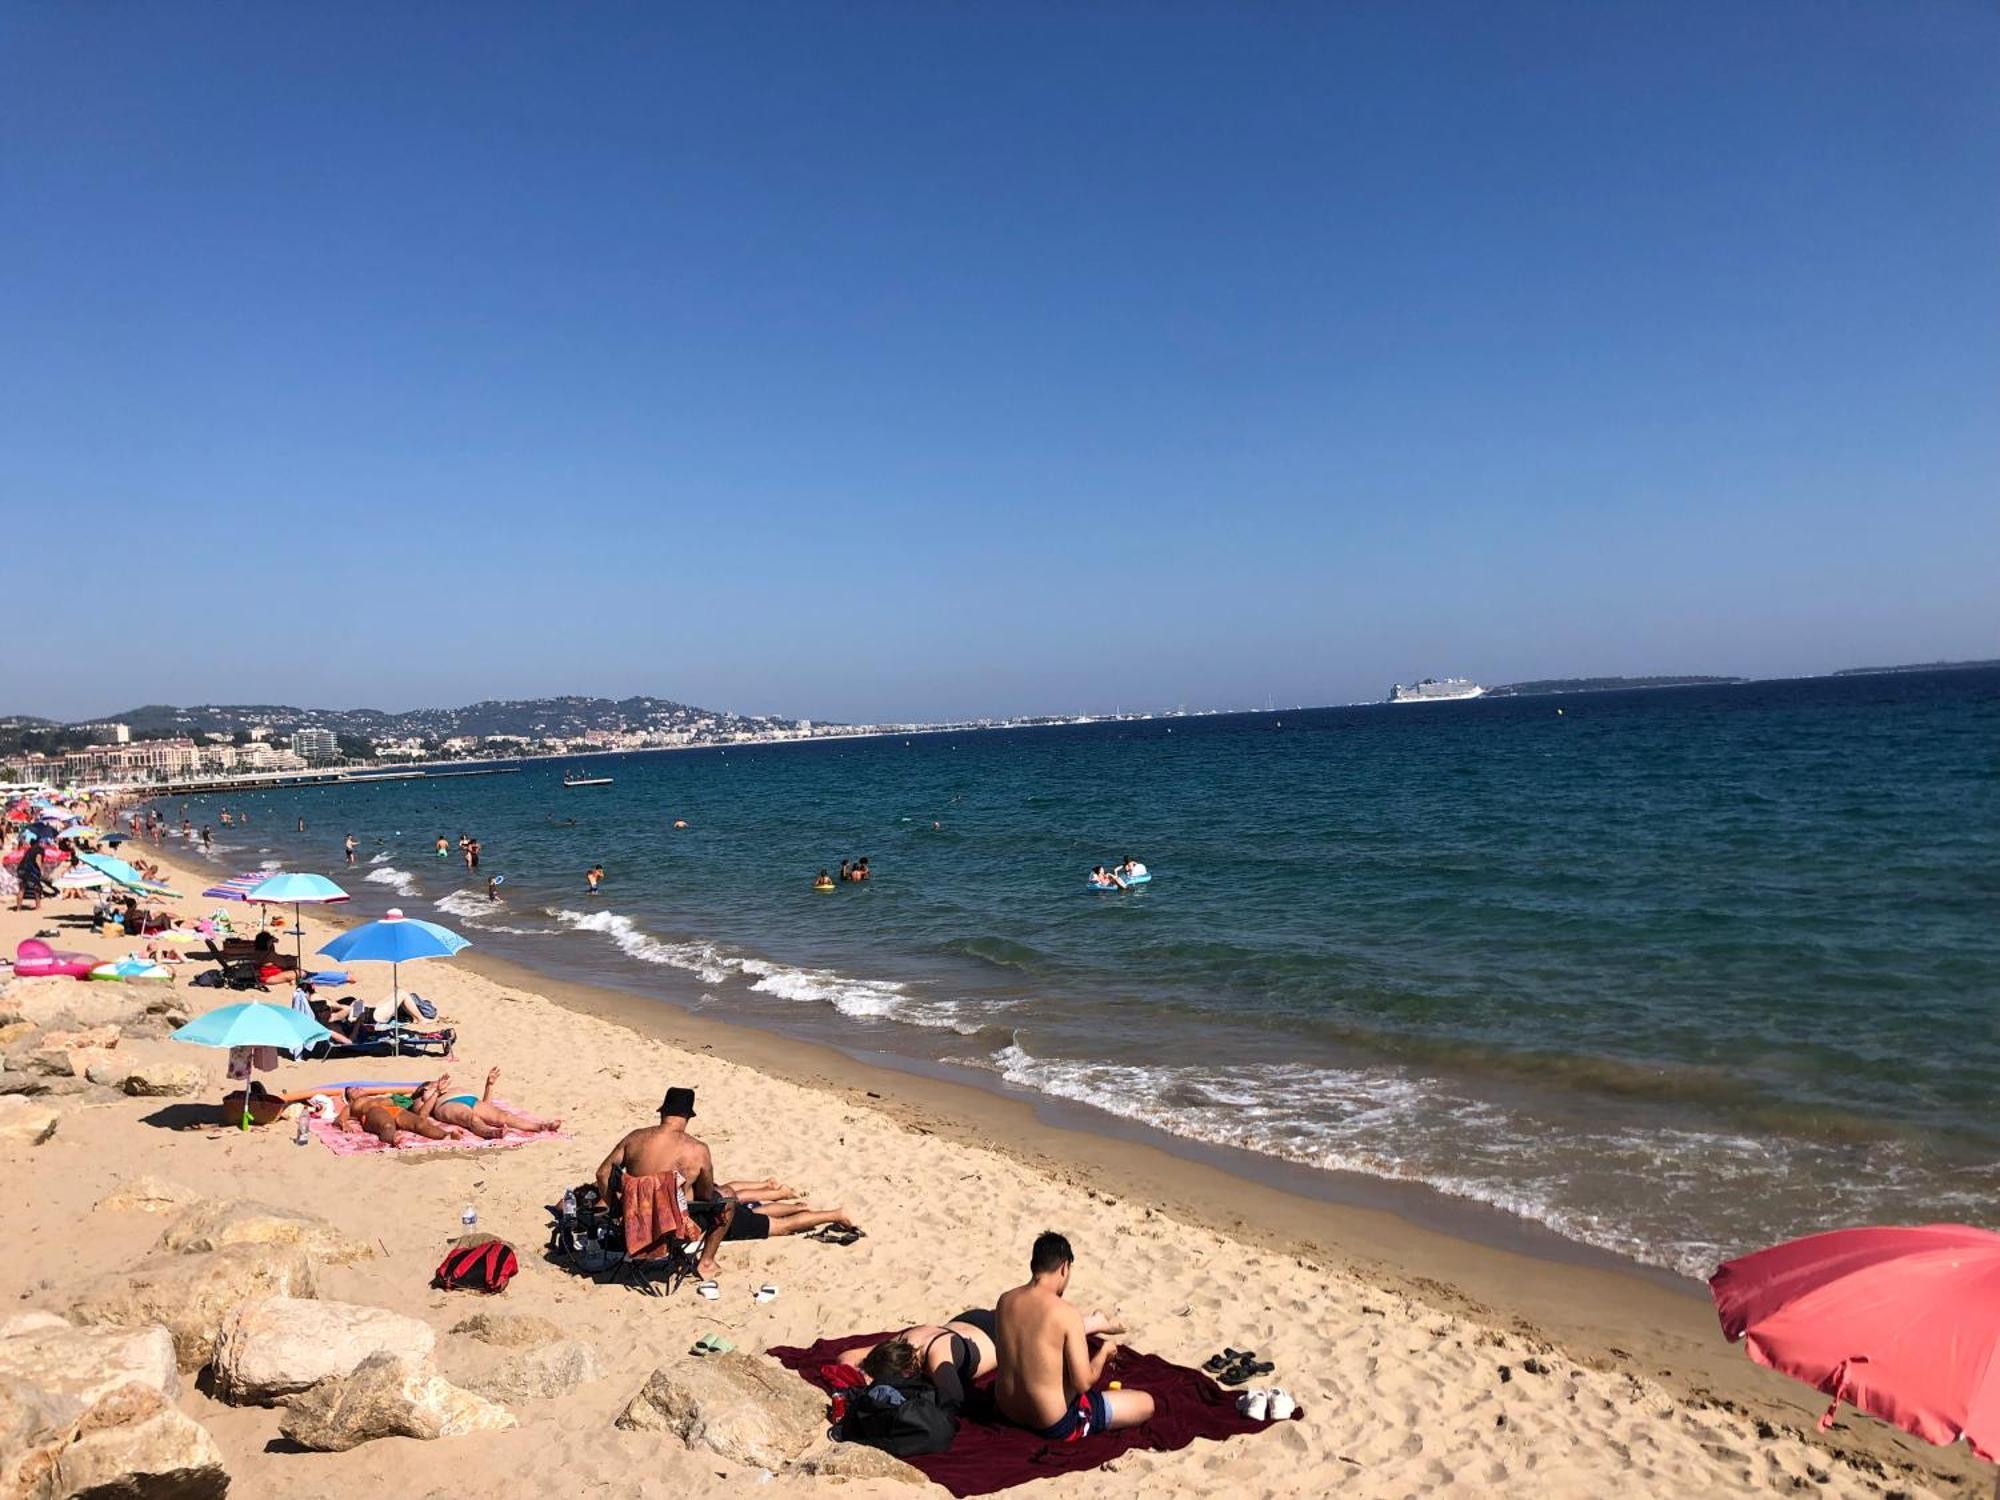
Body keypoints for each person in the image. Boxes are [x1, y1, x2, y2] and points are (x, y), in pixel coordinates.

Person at [993, 1231, 1153, 1442]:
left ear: (1034, 1264)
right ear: (1064, 1267)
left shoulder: (1005, 1301)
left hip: (1007, 1412)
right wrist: (1104, 1353)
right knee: (1146, 1404)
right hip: (1052, 1424)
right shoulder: (1066, 1313)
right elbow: (1083, 1383)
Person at [594, 1086, 732, 1280]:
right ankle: (707, 1262)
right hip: (672, 1227)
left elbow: (602, 1174)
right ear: (688, 1116)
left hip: (633, 1219)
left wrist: (617, 1209)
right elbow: (706, 1195)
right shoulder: (697, 1149)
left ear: (663, 1112)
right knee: (728, 1197)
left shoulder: (634, 1138)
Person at [422, 1068, 562, 1138]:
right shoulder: (424, 1095)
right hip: (447, 1104)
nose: (439, 1082)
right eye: (433, 1083)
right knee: (471, 1118)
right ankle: (491, 1132)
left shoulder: (445, 1088)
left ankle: (540, 1126)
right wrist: (435, 1092)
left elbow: (487, 1105)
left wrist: (489, 1085)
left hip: (471, 1100)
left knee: (503, 1116)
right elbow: (422, 1115)